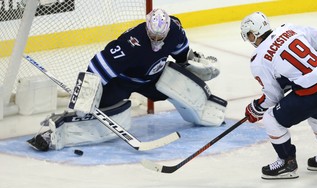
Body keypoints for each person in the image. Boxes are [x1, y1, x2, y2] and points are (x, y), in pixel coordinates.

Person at [27, 8, 227, 151]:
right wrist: (86, 95)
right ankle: (55, 133)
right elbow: (98, 65)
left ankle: (208, 112)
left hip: (154, 78)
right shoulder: (131, 43)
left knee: (183, 84)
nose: (157, 40)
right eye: (152, 36)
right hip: (123, 82)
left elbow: (182, 54)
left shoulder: (174, 30)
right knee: (98, 111)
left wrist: (191, 64)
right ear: (147, 28)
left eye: (161, 36)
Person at [240, 11, 317, 179]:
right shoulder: (288, 28)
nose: (250, 40)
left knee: (271, 119)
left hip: (316, 93)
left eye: (249, 35)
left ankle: (286, 162)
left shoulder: (258, 59)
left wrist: (256, 108)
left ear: (254, 33)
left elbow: (273, 96)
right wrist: (314, 70)